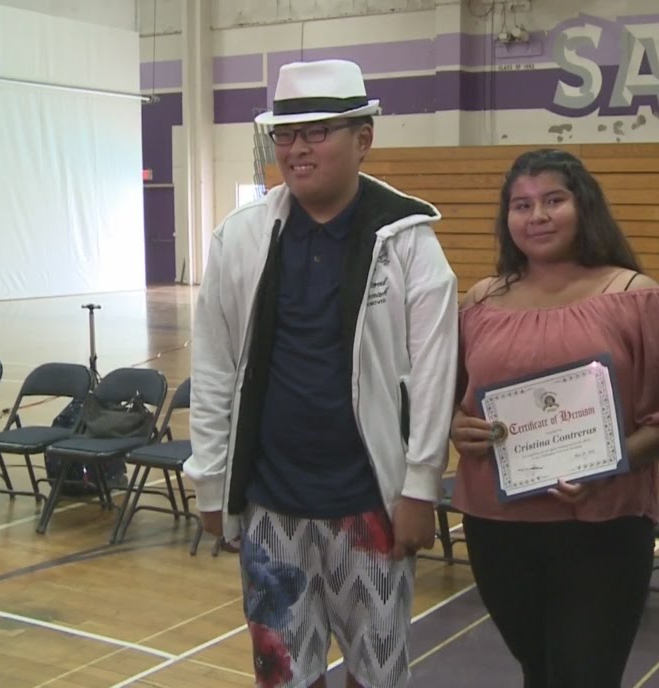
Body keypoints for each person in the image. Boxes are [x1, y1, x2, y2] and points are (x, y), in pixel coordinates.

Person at [185, 59, 458, 688]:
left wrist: (421, 487)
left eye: (318, 132)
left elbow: (437, 371)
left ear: (363, 139)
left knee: (379, 677)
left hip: (370, 506)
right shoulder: (241, 237)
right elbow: (216, 366)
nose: (298, 148)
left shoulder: (408, 237)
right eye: (285, 135)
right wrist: (210, 483)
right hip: (270, 506)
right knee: (282, 677)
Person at [448, 148, 659, 687]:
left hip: (600, 526)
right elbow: (456, 405)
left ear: (585, 207)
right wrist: (457, 429)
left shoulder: (636, 297)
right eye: (521, 205)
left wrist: (610, 462)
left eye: (554, 200)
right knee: (538, 670)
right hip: (497, 526)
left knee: (585, 677)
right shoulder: (481, 300)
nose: (538, 216)